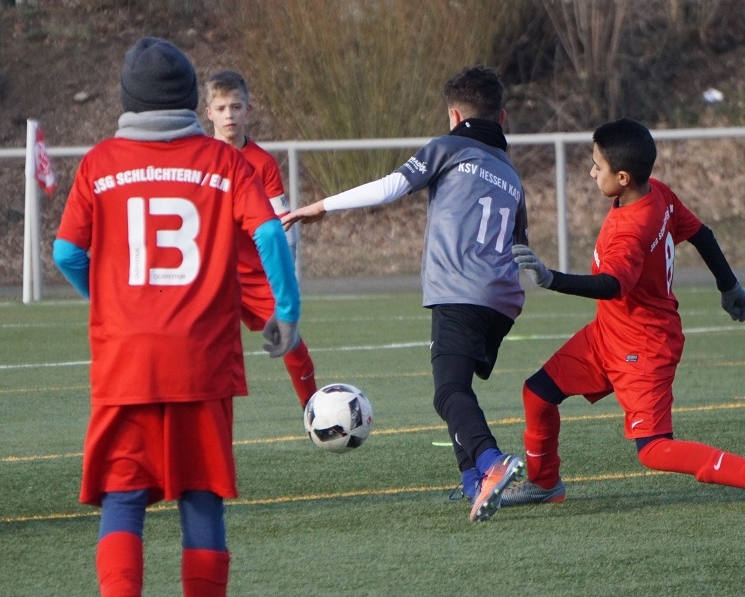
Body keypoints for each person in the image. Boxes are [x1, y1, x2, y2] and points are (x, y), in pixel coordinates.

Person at [53, 37, 300, 596]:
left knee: (123, 497)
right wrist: (285, 310)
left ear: (129, 99)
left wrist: (107, 300)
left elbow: (66, 252)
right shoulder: (225, 162)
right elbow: (268, 232)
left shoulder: (99, 164)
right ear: (192, 99)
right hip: (201, 359)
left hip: (126, 360)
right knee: (201, 494)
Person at [501, 118, 745, 510]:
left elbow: (612, 284)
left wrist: (551, 278)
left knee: (653, 449)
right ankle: (544, 484)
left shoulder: (631, 230)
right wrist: (729, 286)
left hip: (643, 346)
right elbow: (702, 234)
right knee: (538, 393)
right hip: (607, 335)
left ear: (623, 177)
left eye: (597, 166)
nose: (592, 172)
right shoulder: (656, 192)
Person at [282, 65, 528, 522]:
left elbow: (392, 187)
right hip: (503, 299)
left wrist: (321, 206)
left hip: (460, 290)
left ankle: (491, 461)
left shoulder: (449, 147)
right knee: (456, 388)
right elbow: (520, 244)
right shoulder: (510, 174)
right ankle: (472, 482)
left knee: (448, 391)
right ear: (503, 118)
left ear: (454, 116)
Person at [204, 70, 318, 408]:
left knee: (290, 337)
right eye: (221, 108)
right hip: (210, 270)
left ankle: (313, 410)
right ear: (208, 113)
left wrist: (285, 269)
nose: (229, 115)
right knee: (198, 343)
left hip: (255, 272)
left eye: (236, 107)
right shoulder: (199, 159)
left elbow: (281, 224)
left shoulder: (263, 163)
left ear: (248, 110)